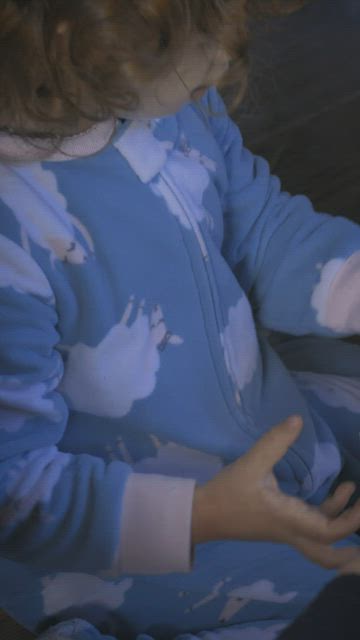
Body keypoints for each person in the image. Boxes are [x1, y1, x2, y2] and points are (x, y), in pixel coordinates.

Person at [1, 1, 360, 639]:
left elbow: (261, 231)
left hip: (268, 430)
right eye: (203, 32)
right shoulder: (16, 239)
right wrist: (207, 514)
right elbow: (16, 489)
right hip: (145, 542)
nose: (228, 54)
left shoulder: (164, 99)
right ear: (80, 43)